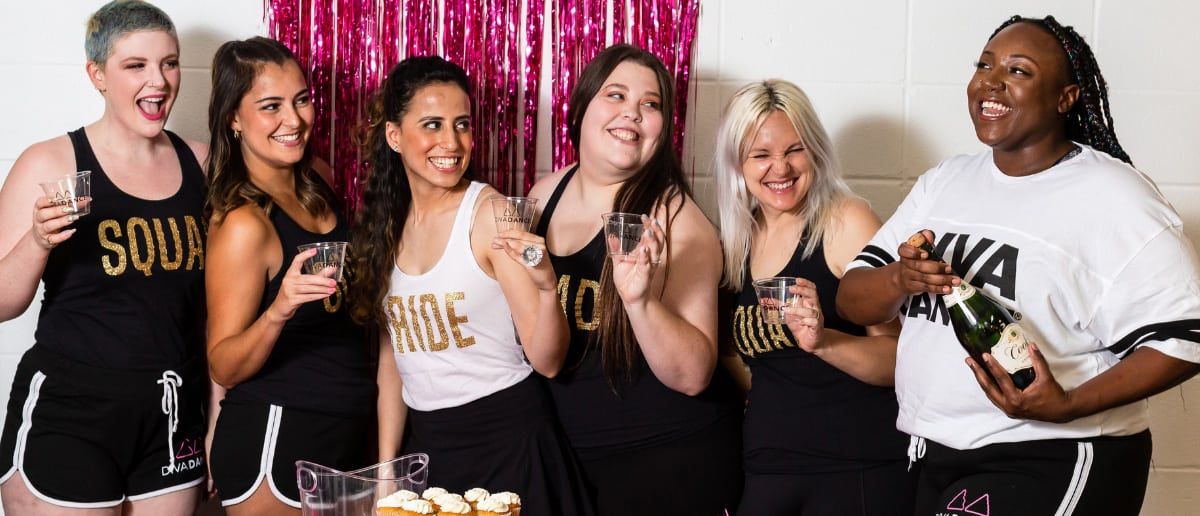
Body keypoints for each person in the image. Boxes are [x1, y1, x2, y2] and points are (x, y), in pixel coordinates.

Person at [837, 15, 1200, 516]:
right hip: (935, 448)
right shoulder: (946, 182)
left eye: (1018, 71)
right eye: (984, 65)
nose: (991, 81)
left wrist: (1068, 406)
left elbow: (1184, 340)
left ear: (1066, 98)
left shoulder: (1115, 198)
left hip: (1048, 453)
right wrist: (901, 277)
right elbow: (852, 298)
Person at [347, 55, 592, 515]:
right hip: (431, 453)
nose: (451, 142)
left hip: (508, 442)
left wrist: (544, 288)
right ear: (394, 136)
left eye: (461, 125)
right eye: (433, 125)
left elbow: (549, 361)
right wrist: (386, 473)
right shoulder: (386, 225)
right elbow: (394, 361)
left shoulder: (491, 213)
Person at [0, 1, 209, 513]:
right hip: (72, 414)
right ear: (97, 75)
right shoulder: (51, 161)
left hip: (173, 409)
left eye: (170, 62)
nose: (157, 80)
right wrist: (38, 242)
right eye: (135, 66)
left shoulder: (202, 163)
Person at [528, 44, 742, 515]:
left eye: (651, 104)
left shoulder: (678, 221)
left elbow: (693, 376)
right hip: (574, 463)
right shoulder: (544, 196)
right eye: (617, 95)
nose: (633, 113)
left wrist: (640, 302)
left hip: (668, 459)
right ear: (581, 106)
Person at [712, 79, 913, 515]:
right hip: (767, 467)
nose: (780, 169)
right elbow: (741, 357)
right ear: (737, 164)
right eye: (761, 155)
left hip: (855, 466)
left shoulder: (847, 221)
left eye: (794, 150)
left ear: (815, 149)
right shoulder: (737, 238)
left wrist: (824, 342)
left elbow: (900, 359)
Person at [204, 37, 375, 515]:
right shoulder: (243, 224)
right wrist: (279, 310)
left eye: (301, 100)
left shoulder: (316, 177)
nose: (294, 120)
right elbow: (223, 364)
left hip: (345, 429)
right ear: (234, 119)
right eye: (270, 106)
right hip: (277, 436)